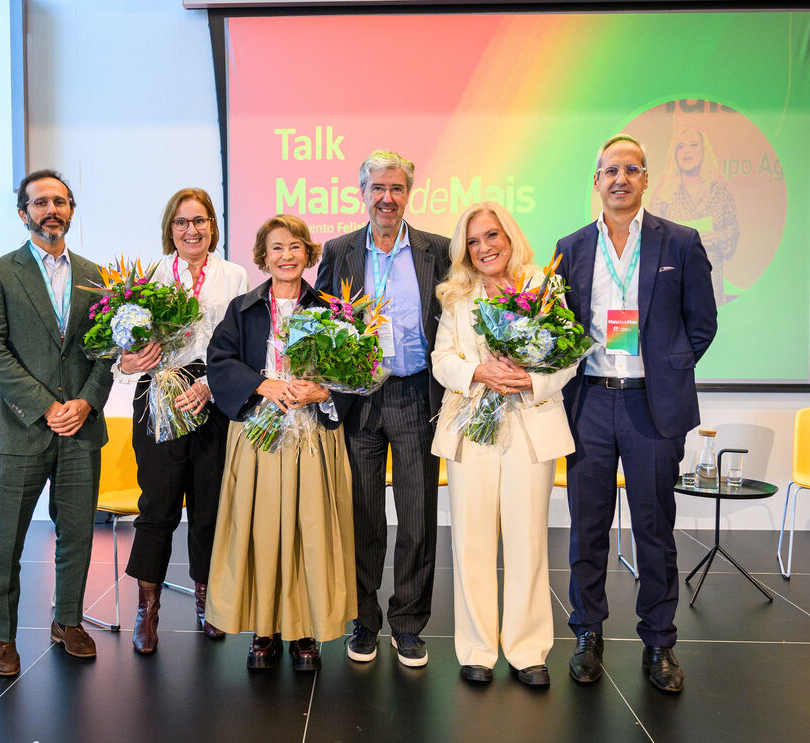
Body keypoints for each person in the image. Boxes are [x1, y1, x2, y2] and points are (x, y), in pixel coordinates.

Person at [555, 135, 717, 694]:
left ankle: (659, 642)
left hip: (652, 403)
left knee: (654, 528)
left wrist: (669, 368)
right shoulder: (571, 247)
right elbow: (559, 328)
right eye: (610, 171)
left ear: (646, 178)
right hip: (592, 401)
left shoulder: (680, 241)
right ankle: (588, 633)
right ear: (596, 181)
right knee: (588, 527)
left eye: (631, 169)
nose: (620, 179)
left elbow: (703, 323)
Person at [0, 169, 115, 676]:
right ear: (23, 213)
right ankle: (2, 637)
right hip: (18, 429)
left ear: (71, 210)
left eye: (60, 201)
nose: (50, 210)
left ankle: (68, 620)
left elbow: (107, 350)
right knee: (4, 539)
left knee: (77, 532)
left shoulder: (98, 275)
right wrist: (44, 405)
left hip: (79, 428)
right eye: (40, 202)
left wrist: (86, 402)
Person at [431, 202, 578, 686]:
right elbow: (441, 360)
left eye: (491, 236)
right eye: (472, 241)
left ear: (509, 236)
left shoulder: (543, 287)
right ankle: (476, 648)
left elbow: (568, 357)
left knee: (527, 539)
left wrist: (529, 380)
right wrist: (478, 370)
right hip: (473, 424)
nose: (483, 247)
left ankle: (527, 649)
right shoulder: (457, 296)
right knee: (471, 541)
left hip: (530, 422)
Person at [316, 149, 450, 667]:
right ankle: (364, 620)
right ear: (363, 193)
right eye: (378, 188)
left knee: (418, 515)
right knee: (363, 515)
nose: (387, 198)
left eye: (396, 189)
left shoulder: (437, 249)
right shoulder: (340, 249)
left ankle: (409, 623)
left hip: (417, 393)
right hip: (360, 398)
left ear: (408, 194)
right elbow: (324, 323)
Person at [205, 214, 356, 671]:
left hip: (311, 435)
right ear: (262, 257)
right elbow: (219, 360)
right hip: (258, 436)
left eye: (295, 247)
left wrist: (324, 389)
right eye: (276, 248)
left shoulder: (332, 309)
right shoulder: (243, 308)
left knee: (309, 532)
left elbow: (356, 370)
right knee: (263, 532)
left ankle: (306, 632)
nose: (286, 256)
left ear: (309, 254)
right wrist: (261, 384)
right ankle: (265, 632)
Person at [113, 188, 249, 653]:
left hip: (213, 394)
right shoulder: (148, 277)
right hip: (158, 393)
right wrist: (130, 361)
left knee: (209, 507)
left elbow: (241, 344)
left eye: (200, 220)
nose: (192, 230)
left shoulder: (234, 275)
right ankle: (146, 609)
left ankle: (207, 602)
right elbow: (126, 344)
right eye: (182, 222)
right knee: (158, 507)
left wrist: (210, 382)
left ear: (213, 224)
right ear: (170, 229)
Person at [649, 127, 739, 306]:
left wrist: (719, 237)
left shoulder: (719, 190)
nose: (687, 151)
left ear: (704, 151)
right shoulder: (665, 194)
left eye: (693, 145)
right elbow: (650, 239)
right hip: (671, 283)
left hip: (710, 279)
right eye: (680, 146)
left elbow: (733, 230)